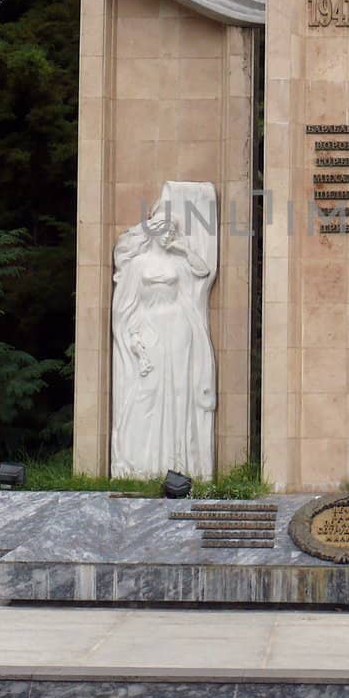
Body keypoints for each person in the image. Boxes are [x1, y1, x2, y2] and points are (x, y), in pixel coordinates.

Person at [110, 182, 218, 478]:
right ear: (154, 230)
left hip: (178, 327)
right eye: (166, 228)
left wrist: (183, 248)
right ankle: (143, 464)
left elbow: (203, 271)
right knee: (148, 393)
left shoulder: (179, 262)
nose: (170, 232)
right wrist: (134, 340)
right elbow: (125, 309)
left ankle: (182, 463)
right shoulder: (137, 265)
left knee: (179, 392)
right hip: (149, 328)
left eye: (174, 229)